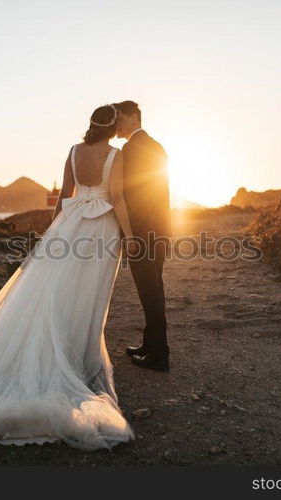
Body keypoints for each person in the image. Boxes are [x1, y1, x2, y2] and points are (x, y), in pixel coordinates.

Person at [0, 104, 135, 450]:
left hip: (70, 226)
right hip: (103, 231)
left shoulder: (74, 151)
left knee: (56, 292)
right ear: (113, 128)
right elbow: (120, 198)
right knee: (89, 297)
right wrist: (131, 236)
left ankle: (66, 355)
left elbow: (65, 195)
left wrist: (53, 232)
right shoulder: (116, 155)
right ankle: (78, 362)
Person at [114, 100, 172, 372]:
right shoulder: (156, 145)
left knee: (149, 291)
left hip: (142, 233)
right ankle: (151, 344)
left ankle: (159, 355)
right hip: (159, 229)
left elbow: (132, 194)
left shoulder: (131, 148)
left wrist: (131, 235)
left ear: (134, 118)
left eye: (120, 118)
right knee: (154, 288)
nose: (117, 124)